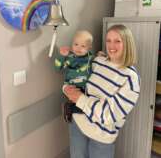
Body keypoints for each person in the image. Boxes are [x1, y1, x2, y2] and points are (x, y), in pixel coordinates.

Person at [63, 24, 140, 158]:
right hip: (78, 123)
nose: (111, 46)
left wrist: (79, 98)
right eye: (108, 40)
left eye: (117, 41)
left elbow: (109, 114)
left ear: (127, 44)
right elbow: (75, 77)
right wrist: (66, 89)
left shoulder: (131, 78)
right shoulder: (98, 61)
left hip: (101, 136)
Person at [54, 30, 94, 120]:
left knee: (88, 108)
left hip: (86, 88)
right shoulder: (70, 57)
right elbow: (58, 68)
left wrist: (101, 56)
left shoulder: (91, 58)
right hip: (72, 87)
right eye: (76, 44)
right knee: (82, 107)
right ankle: (69, 108)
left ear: (89, 47)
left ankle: (70, 108)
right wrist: (61, 56)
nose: (78, 48)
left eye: (83, 46)